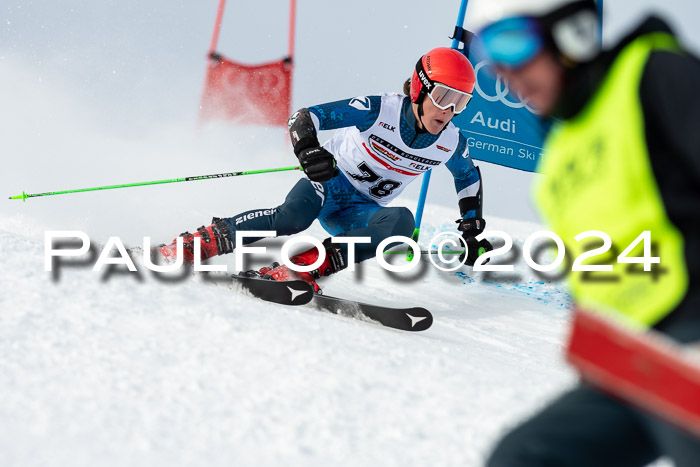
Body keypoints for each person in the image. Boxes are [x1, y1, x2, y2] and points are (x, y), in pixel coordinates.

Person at [469, 0, 700, 465]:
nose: (505, 71)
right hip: (629, 362)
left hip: (689, 332)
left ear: (572, 29)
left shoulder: (653, 73)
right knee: (525, 457)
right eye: (491, 55)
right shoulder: (561, 152)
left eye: (513, 42)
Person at [158, 47, 493, 291]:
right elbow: (305, 117)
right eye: (445, 96)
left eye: (461, 102)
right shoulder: (380, 110)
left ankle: (301, 268)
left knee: (401, 223)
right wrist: (308, 149)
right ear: (420, 88)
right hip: (326, 184)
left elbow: (467, 177)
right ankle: (201, 243)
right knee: (292, 218)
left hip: (360, 212)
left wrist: (470, 228)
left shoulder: (450, 141)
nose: (450, 110)